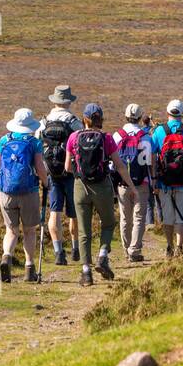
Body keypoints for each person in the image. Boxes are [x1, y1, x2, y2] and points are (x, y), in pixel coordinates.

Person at [64, 103, 137, 285]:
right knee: (108, 223)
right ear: (101, 119)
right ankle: (103, 255)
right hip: (102, 186)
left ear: (84, 119)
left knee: (84, 231)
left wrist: (80, 175)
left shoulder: (73, 137)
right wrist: (132, 187)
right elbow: (119, 165)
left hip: (80, 186)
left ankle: (86, 272)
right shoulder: (106, 138)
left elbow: (66, 167)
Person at [0, 107, 49, 284]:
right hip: (29, 192)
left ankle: (6, 256)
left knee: (11, 230)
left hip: (6, 191)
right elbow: (39, 167)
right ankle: (29, 269)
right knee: (29, 231)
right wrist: (46, 183)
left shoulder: (4, 140)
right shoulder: (34, 142)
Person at [150, 99, 183, 256]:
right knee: (181, 217)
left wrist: (154, 179)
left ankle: (169, 246)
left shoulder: (159, 132)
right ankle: (180, 247)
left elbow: (153, 157)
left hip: (164, 182)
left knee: (168, 218)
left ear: (167, 114)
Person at [39, 85, 82, 266]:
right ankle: (75, 248)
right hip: (70, 173)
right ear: (69, 102)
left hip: (51, 173)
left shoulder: (44, 122)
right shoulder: (74, 122)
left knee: (54, 213)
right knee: (74, 213)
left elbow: (38, 145)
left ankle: (58, 252)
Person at [111, 103, 153, 262]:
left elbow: (112, 161)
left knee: (124, 217)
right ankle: (134, 250)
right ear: (140, 117)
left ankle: (126, 249)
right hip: (141, 183)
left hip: (122, 183)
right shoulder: (146, 136)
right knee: (139, 218)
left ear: (126, 116)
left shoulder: (117, 136)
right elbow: (149, 161)